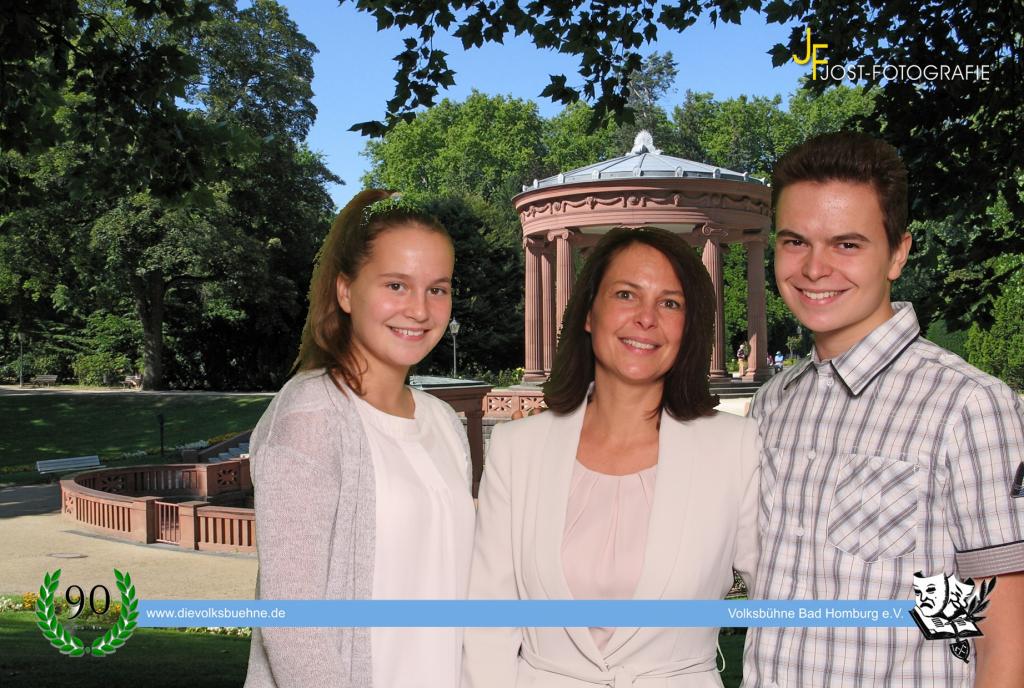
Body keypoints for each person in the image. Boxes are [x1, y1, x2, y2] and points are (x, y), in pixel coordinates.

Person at [742, 132, 1024, 686]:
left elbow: (1002, 635)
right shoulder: (774, 404)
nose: (814, 268)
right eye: (795, 241)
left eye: (847, 244)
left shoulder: (967, 407)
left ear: (898, 253)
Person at [464, 227, 760, 687]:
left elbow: (784, 604)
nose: (646, 318)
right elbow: (488, 625)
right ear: (588, 312)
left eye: (670, 303)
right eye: (626, 294)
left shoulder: (736, 449)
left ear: (689, 327)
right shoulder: (516, 449)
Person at [244, 190, 475, 688]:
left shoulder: (443, 423)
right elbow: (292, 626)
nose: (420, 309)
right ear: (346, 292)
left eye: (437, 289)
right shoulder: (311, 416)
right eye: (396, 285)